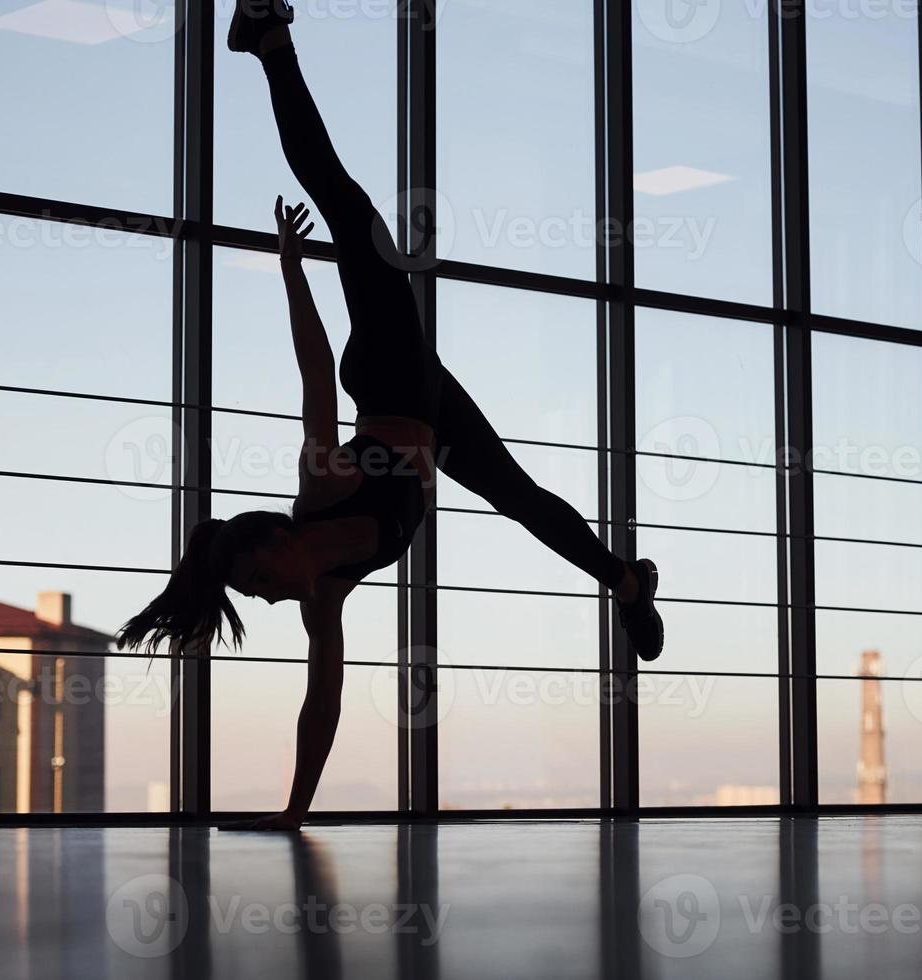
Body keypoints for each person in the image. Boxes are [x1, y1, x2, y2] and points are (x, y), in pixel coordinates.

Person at [118, 0, 664, 830]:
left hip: (385, 373)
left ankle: (267, 36)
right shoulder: (323, 596)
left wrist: (294, 272)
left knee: (343, 203)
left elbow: (312, 375)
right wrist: (291, 814)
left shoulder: (322, 492)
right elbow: (323, 703)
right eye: (257, 594)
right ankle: (629, 581)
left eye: (259, 580)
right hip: (432, 413)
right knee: (519, 500)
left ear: (276, 538)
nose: (266, 600)